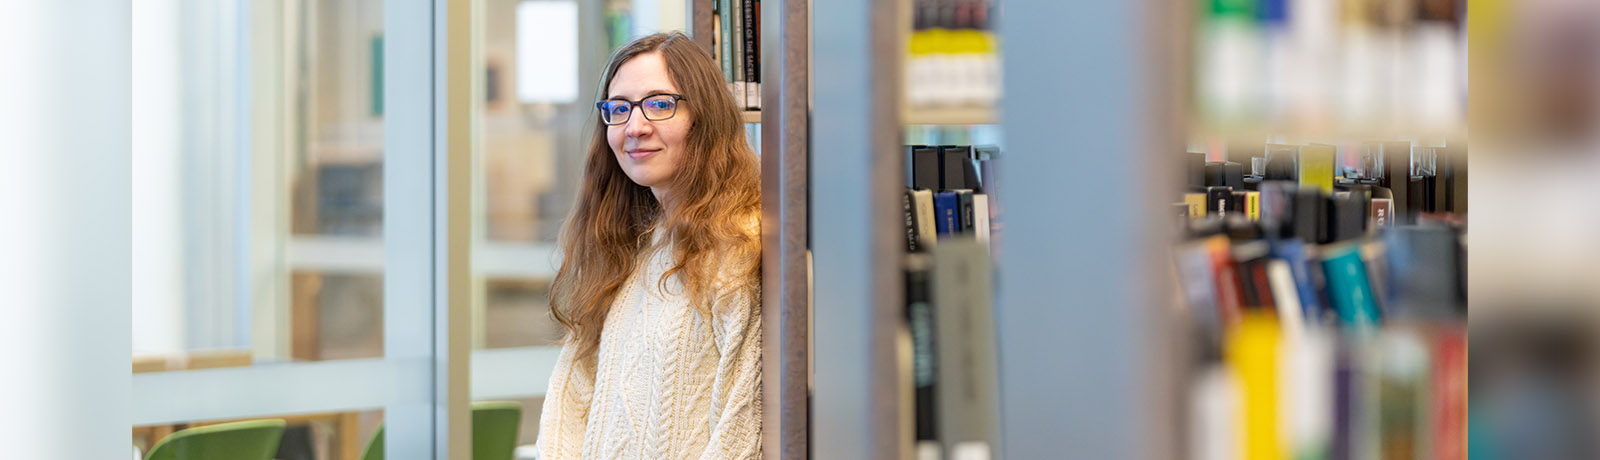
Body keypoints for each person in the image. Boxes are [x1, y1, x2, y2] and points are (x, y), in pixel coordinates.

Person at [534, 32, 763, 460]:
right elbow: (567, 408)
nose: (635, 127)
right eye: (619, 109)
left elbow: (742, 431)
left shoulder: (741, 246)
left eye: (660, 104)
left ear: (705, 116)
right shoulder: (626, 245)